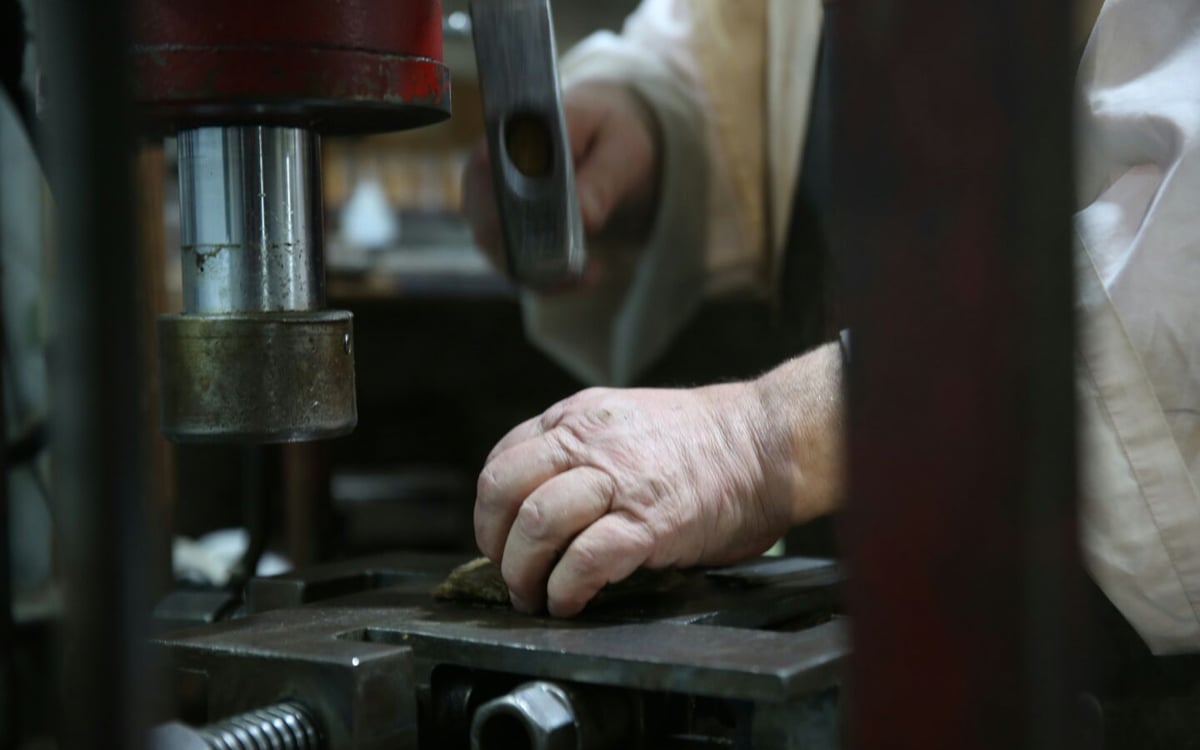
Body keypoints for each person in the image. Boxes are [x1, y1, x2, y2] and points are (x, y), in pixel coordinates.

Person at [462, 0, 1200, 658]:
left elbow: (1175, 277)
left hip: (1097, 664)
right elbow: (747, 37)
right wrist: (646, 120)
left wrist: (764, 437)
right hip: (850, 619)